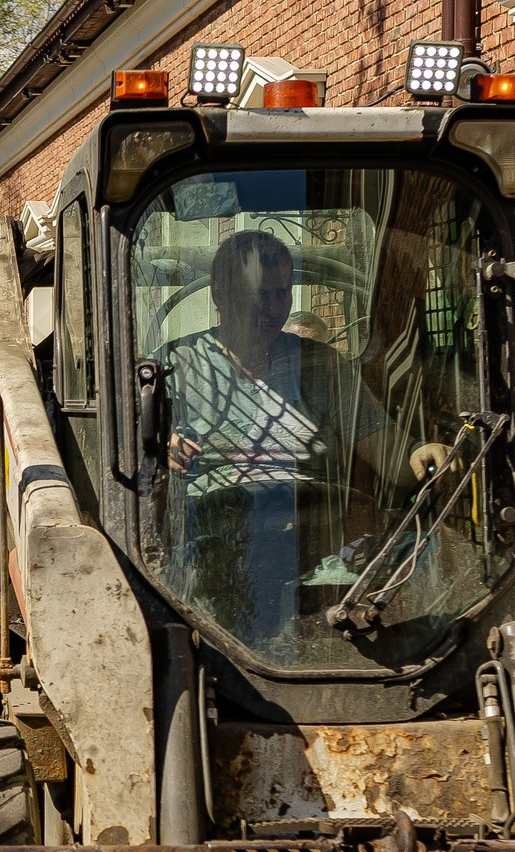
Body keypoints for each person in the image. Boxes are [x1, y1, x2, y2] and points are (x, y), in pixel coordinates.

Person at [153, 231, 393, 648]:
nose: (273, 309)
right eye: (259, 295)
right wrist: (163, 449)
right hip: (212, 542)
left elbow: (384, 447)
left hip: (309, 535)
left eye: (283, 293)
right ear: (220, 295)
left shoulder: (320, 366)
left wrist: (419, 454)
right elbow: (141, 452)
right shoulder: (176, 365)